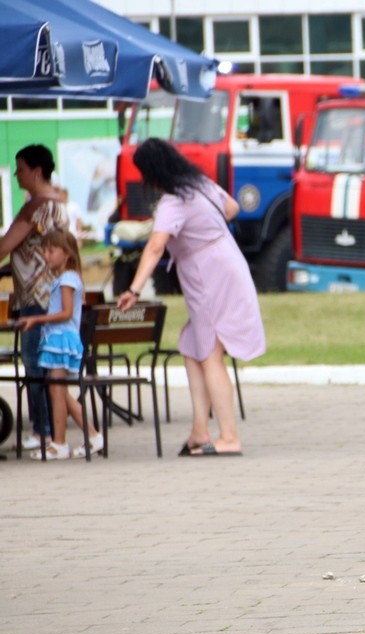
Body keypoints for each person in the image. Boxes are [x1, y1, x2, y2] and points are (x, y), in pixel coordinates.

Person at [116, 138, 266, 457]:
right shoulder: (199, 184)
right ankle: (200, 430)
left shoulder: (173, 201)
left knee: (210, 350)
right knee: (193, 346)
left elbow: (156, 247)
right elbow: (232, 208)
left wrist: (133, 290)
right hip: (225, 262)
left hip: (208, 274)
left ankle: (228, 436)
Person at [0, 144, 69, 451]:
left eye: (21, 168)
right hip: (52, 292)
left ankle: (41, 430)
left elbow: (6, 245)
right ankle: (49, 429)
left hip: (35, 296)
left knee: (33, 361)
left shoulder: (36, 206)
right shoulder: (59, 203)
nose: (17, 174)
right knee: (45, 361)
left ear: (37, 171)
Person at [16, 230, 103, 460]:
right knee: (60, 392)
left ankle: (60, 443)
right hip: (56, 338)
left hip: (60, 339)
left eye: (51, 250)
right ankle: (92, 436)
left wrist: (37, 319)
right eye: (44, 250)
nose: (46, 255)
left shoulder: (67, 279)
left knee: (57, 392)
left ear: (66, 254)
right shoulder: (65, 278)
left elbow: (65, 313)